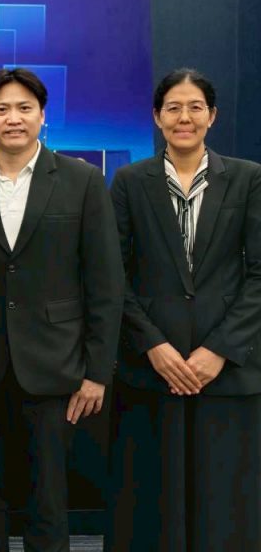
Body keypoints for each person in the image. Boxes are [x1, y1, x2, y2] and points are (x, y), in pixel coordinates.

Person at [0, 67, 124, 552]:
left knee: (47, 500)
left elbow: (105, 283)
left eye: (24, 108)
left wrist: (97, 372)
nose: (14, 118)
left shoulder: (81, 180)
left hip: (55, 366)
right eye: (2, 109)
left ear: (42, 116)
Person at [106, 68, 261, 552]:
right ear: (157, 117)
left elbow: (259, 274)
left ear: (212, 116)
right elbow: (113, 277)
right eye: (173, 107)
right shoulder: (130, 182)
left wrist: (219, 350)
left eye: (195, 107)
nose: (184, 117)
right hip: (152, 369)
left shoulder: (248, 178)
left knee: (224, 506)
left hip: (227, 370)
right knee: (152, 505)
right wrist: (153, 345)